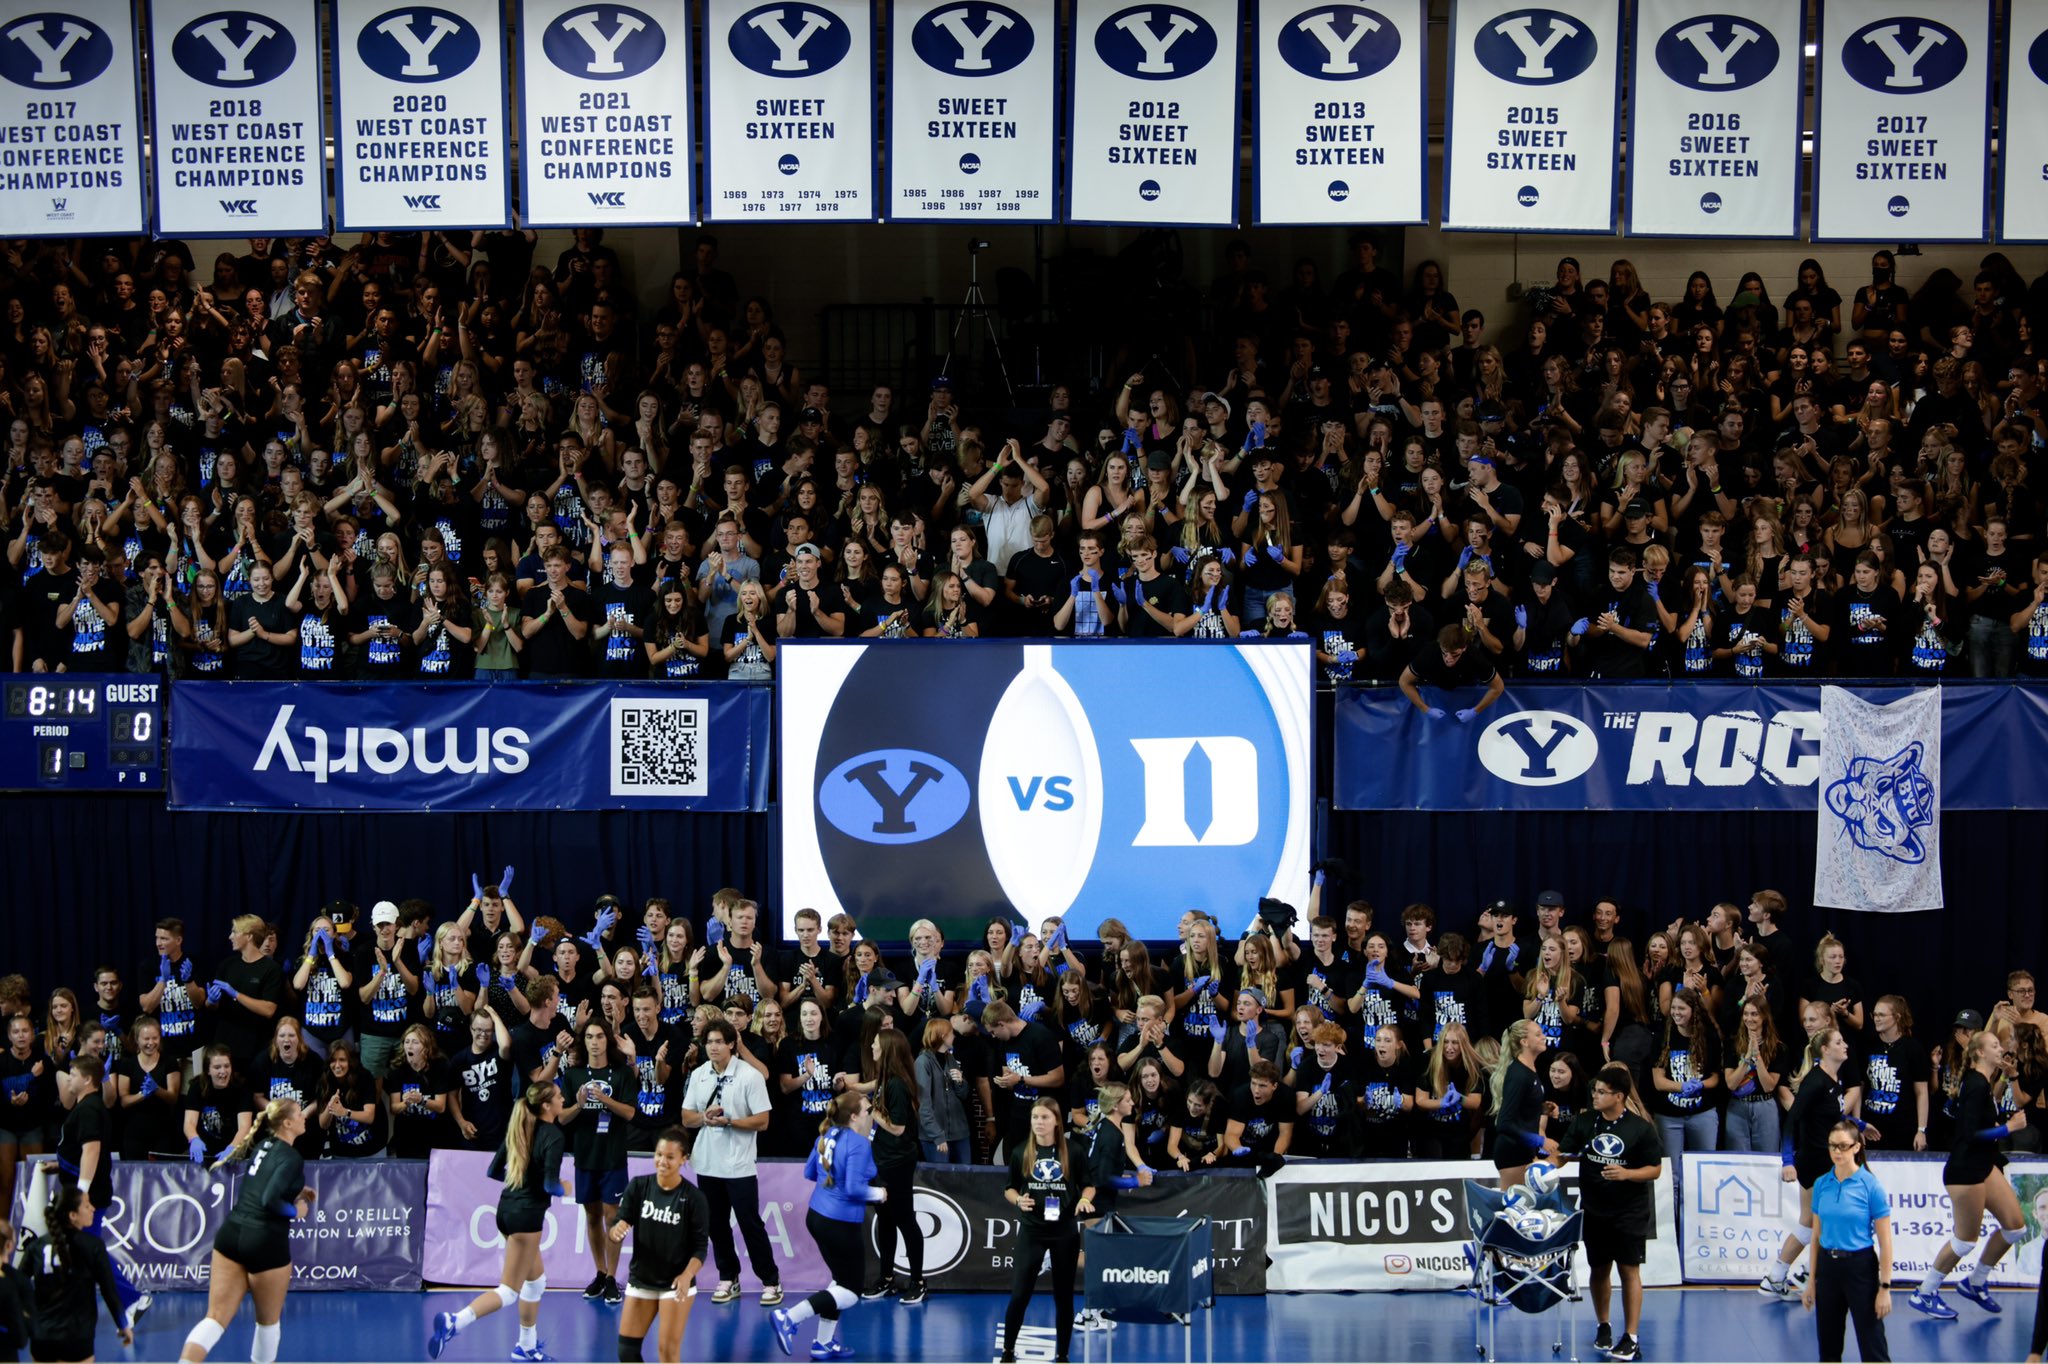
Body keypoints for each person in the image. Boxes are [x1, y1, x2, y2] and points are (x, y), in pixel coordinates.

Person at [429, 1081, 566, 1363]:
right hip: (526, 1218)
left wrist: (523, 1183)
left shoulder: (519, 1128)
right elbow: (552, 1184)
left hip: (506, 1210)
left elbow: (494, 1171)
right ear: (547, 1105)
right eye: (559, 1095)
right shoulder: (553, 1135)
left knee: (536, 1282)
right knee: (508, 1291)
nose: (564, 1098)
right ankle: (456, 1321)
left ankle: (525, 1347)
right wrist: (566, 1187)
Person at [177, 1100, 316, 1363]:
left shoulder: (263, 1146)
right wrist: (296, 1211)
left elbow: (262, 1185)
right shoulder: (292, 1157)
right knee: (267, 1324)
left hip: (231, 1234)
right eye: (299, 1114)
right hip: (265, 1241)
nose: (304, 1117)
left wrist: (298, 1191)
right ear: (287, 1123)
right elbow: (270, 1201)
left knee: (215, 1318)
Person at [1910, 1027, 2030, 1321]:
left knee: (2016, 1227)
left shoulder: (1983, 1083)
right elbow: (1969, 1133)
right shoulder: (1975, 1084)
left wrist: (2010, 1079)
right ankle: (1924, 1292)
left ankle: (1975, 1282)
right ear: (1979, 1053)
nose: (2000, 1048)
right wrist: (2008, 1129)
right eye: (1993, 1045)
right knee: (1965, 1241)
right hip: (1965, 1171)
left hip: (1984, 1166)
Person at [1559, 1064, 1664, 1363]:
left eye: (1602, 1092)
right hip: (1594, 1210)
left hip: (1629, 1211)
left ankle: (1631, 1337)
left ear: (1618, 1096)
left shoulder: (1641, 1129)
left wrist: (1626, 1173)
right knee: (1599, 1268)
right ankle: (1603, 1325)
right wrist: (1543, 1167)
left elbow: (1655, 1169)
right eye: (1594, 1090)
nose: (1595, 1095)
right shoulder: (1585, 1122)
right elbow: (1563, 1154)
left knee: (1629, 1269)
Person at [771, 1091, 887, 1361]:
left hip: (818, 1216)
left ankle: (822, 1344)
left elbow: (809, 1172)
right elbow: (854, 1189)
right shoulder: (859, 1144)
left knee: (838, 1282)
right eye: (868, 1111)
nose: (872, 1115)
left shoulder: (825, 1136)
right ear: (855, 1116)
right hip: (840, 1223)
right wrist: (880, 1195)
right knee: (850, 1292)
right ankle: (789, 1317)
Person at [678, 1019, 781, 1307]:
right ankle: (728, 1276)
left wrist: (731, 1121)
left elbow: (763, 1121)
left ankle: (771, 1280)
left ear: (731, 1044)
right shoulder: (699, 1075)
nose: (712, 1047)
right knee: (715, 1224)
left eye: (718, 1042)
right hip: (707, 1163)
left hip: (739, 1165)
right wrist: (705, 1119)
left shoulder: (750, 1076)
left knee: (750, 1223)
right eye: (709, 1042)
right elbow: (687, 1117)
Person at [1762, 1028, 1868, 1302]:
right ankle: (1800, 1273)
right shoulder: (1815, 1082)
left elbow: (1832, 1115)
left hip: (1826, 1160)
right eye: (1839, 1042)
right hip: (1813, 1161)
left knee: (1813, 1222)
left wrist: (1860, 1124)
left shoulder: (1835, 1079)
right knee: (1828, 1219)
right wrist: (1787, 1160)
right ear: (1825, 1050)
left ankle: (1780, 1276)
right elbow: (1793, 1119)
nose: (1845, 1045)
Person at [1000, 1097, 1095, 1364]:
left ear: (1056, 1121)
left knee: (1064, 1297)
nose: (1039, 1123)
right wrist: (1018, 1199)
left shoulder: (1073, 1152)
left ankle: (1062, 1355)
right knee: (1019, 1294)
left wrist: (1085, 1199)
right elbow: (1009, 1188)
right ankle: (1008, 1351)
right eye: (1035, 1118)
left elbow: (1088, 1184)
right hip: (1032, 1231)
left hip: (1064, 1232)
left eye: (1044, 1117)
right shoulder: (1021, 1152)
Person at [608, 1128, 711, 1364]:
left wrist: (687, 1275)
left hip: (675, 1284)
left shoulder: (694, 1198)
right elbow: (616, 1227)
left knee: (667, 1354)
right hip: (642, 1279)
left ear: (684, 1159)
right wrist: (617, 1230)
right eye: (659, 1155)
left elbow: (700, 1248)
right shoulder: (638, 1186)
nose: (662, 1161)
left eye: (670, 1157)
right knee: (627, 1352)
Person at [1804, 1119, 1894, 1363]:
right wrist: (1811, 1281)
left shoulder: (1870, 1186)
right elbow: (1815, 1236)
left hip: (1860, 1268)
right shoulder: (1822, 1183)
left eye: (1843, 1146)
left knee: (1872, 1344)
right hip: (1828, 1268)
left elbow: (1886, 1242)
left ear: (1856, 1147)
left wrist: (1884, 1288)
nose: (1837, 1151)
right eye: (1833, 1146)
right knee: (1829, 1347)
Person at [22, 1188, 130, 1364]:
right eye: (87, 1205)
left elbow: (17, 1282)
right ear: (73, 1215)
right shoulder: (93, 1246)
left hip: (42, 1337)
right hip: (76, 1338)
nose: (93, 1209)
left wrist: (27, 1317)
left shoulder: (37, 1246)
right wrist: (123, 1325)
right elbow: (109, 1291)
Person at [864, 1030, 925, 1303]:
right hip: (881, 1159)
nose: (872, 1048)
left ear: (887, 1049)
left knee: (904, 1219)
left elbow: (898, 1128)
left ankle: (918, 1281)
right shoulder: (884, 1080)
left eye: (876, 1044)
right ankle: (886, 1278)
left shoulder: (897, 1085)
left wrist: (871, 1110)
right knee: (885, 1220)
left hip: (897, 1162)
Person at [1493, 1019, 1560, 1187]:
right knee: (1514, 1208)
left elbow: (1522, 1109)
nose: (1544, 1037)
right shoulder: (1518, 1074)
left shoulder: (1530, 1070)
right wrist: (1539, 1140)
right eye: (1538, 1034)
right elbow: (1504, 1123)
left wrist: (1544, 1109)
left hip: (1524, 1150)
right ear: (1524, 1042)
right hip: (1512, 1153)